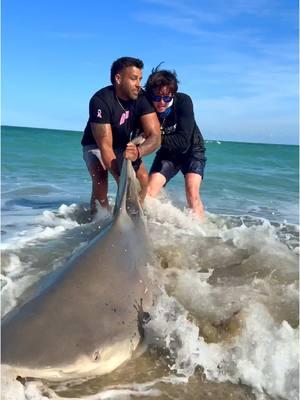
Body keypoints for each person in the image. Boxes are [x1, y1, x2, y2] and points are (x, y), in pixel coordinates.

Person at [81, 57, 161, 214]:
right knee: (100, 175)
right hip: (95, 144)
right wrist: (120, 178)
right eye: (133, 78)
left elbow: (155, 136)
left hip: (122, 144)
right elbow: (104, 146)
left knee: (142, 177)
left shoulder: (142, 98)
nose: (139, 84)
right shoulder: (100, 100)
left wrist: (138, 152)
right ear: (118, 78)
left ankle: (136, 211)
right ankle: (98, 216)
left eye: (140, 79)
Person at [145, 67, 206, 220]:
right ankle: (156, 227)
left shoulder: (183, 101)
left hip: (192, 150)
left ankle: (202, 233)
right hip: (168, 153)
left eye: (166, 98)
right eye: (157, 97)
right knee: (148, 193)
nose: (161, 103)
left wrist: (152, 140)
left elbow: (183, 141)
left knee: (192, 193)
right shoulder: (146, 105)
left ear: (173, 95)